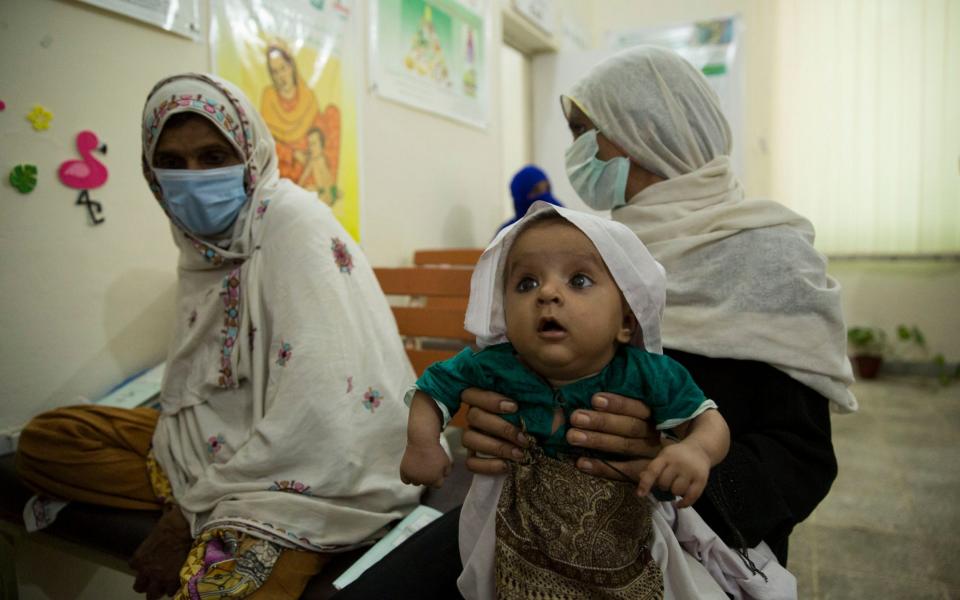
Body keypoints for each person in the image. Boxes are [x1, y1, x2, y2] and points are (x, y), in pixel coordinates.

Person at [334, 45, 852, 598]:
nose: (576, 151)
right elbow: (509, 368)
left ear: (645, 128)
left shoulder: (769, 257)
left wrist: (674, 461)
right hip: (531, 507)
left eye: (585, 130)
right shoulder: (593, 250)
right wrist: (491, 421)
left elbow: (802, 459)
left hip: (693, 537)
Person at [15, 73, 422, 600]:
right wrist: (196, 500)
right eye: (173, 162)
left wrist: (184, 516)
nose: (193, 177)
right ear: (151, 171)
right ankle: (208, 497)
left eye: (212, 157)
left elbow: (322, 410)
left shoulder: (293, 225)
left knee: (225, 590)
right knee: (49, 441)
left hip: (315, 465)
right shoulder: (201, 248)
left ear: (250, 155)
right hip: (216, 443)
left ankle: (223, 508)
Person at [401, 203, 731, 598]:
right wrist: (423, 443)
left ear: (626, 321)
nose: (548, 294)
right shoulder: (494, 365)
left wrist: (695, 451)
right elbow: (431, 389)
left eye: (578, 280)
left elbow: (709, 422)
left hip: (620, 532)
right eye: (526, 283)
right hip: (515, 529)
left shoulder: (648, 374)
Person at [496, 165, 563, 233]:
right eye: (536, 191)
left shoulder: (563, 222)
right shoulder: (506, 235)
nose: (545, 195)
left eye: (547, 189)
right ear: (521, 196)